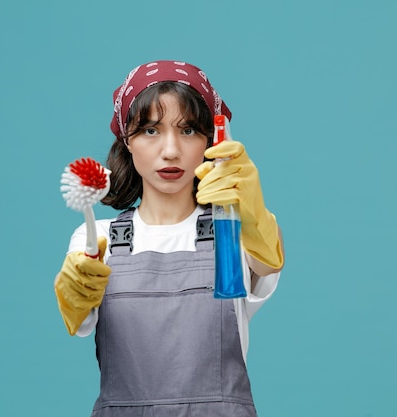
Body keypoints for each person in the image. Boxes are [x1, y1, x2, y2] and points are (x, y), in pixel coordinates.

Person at [54, 60, 285, 417]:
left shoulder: (233, 235)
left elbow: (268, 260)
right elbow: (78, 316)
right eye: (150, 130)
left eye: (189, 130)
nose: (171, 150)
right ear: (126, 141)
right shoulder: (96, 238)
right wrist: (73, 290)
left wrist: (251, 211)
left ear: (211, 139)